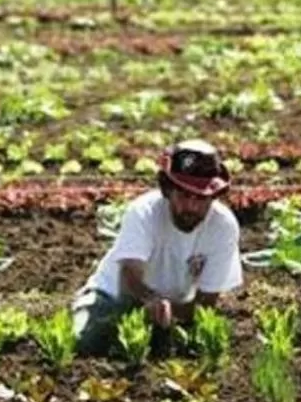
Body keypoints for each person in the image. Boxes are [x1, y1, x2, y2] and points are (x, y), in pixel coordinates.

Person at [71, 140, 244, 356]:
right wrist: (150, 301)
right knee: (83, 343)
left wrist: (168, 312)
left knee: (194, 352)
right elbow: (129, 276)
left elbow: (206, 302)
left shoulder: (223, 226)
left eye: (201, 198)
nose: (191, 207)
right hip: (115, 297)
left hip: (179, 307)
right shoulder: (143, 212)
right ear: (167, 189)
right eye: (183, 195)